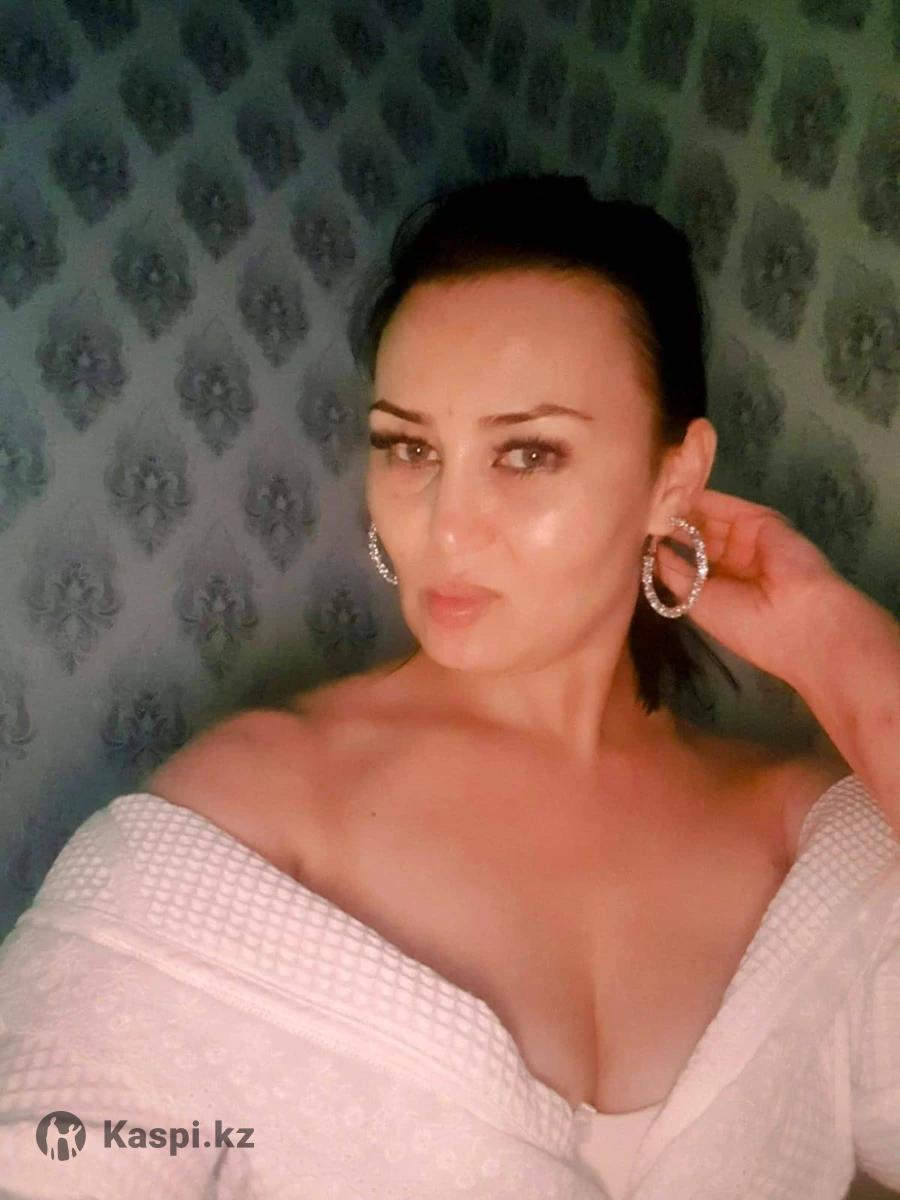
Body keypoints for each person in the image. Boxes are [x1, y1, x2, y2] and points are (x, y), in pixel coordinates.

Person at [0, 173, 897, 1200]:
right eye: (408, 446)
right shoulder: (231, 830)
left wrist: (842, 653)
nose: (445, 525)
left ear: (674, 480)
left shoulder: (812, 844)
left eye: (527, 453)